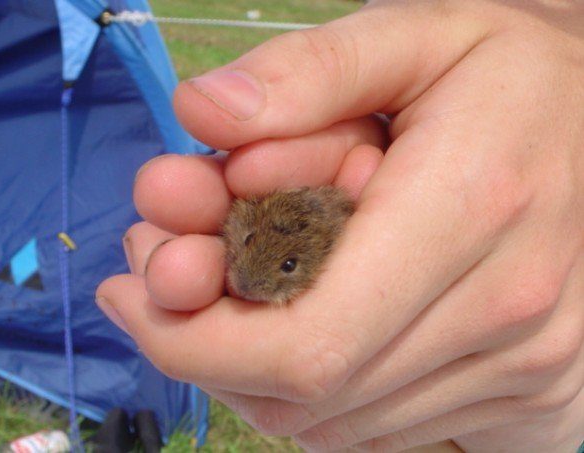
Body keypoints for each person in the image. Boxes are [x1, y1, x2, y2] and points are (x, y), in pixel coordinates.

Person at [96, 1, 584, 451]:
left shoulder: (338, 238)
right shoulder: (252, 205)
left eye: (287, 266)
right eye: (245, 244)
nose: (247, 278)